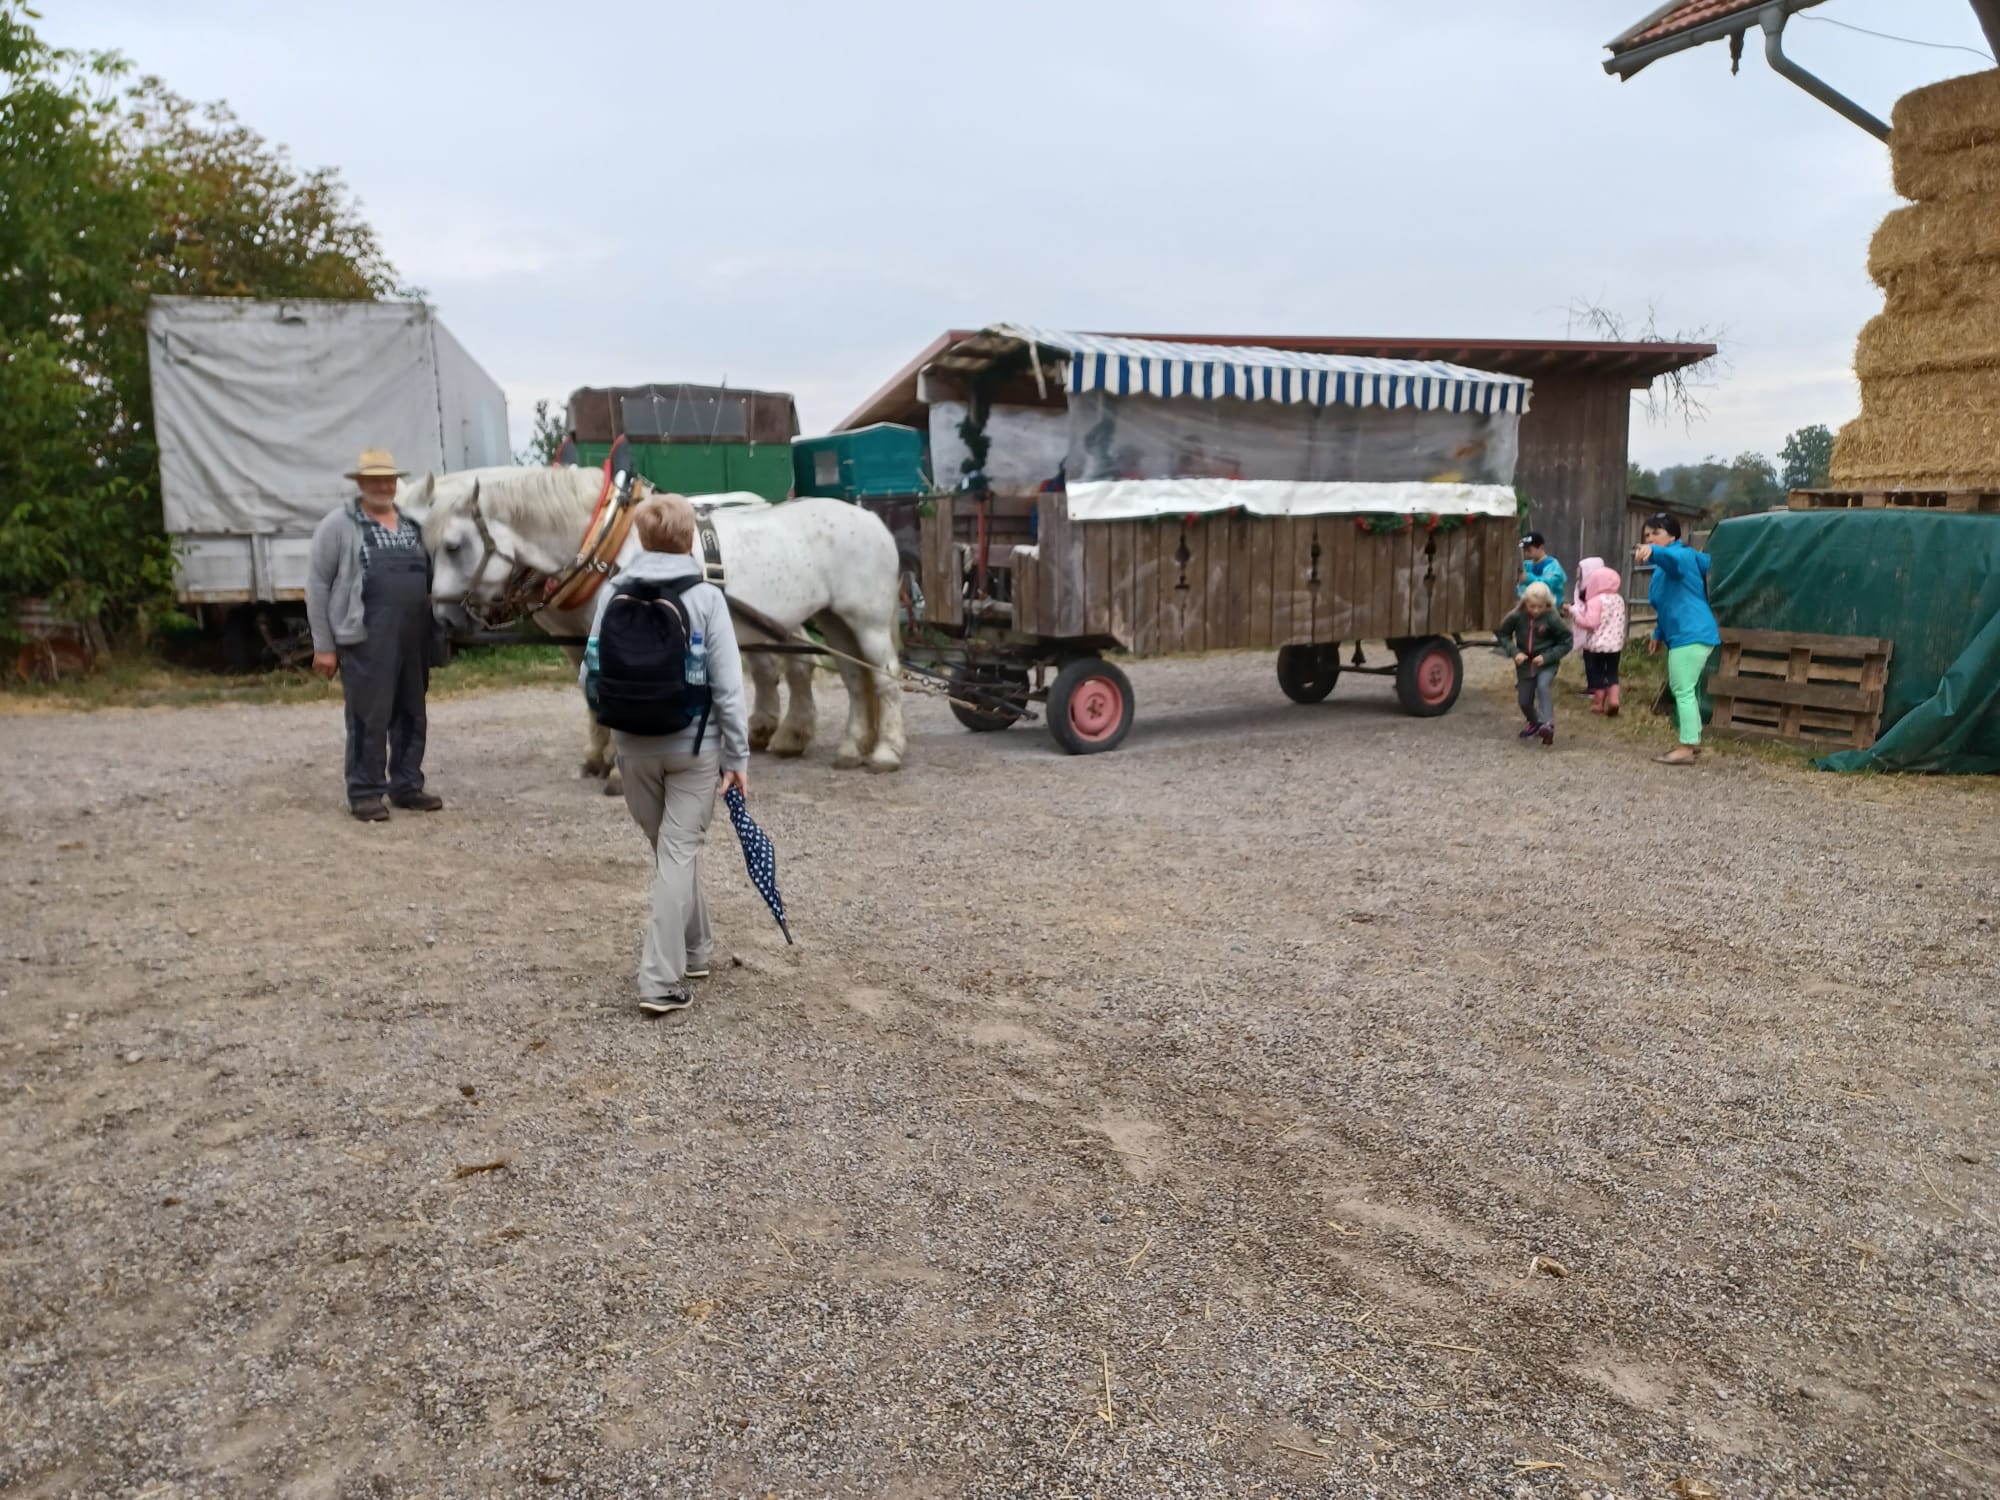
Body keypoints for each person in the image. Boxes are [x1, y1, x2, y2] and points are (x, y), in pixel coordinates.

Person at [583, 493, 750, 1015]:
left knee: (673, 854)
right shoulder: (706, 597)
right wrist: (738, 759)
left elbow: (589, 673)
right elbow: (728, 689)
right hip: (693, 747)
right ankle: (658, 981)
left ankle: (696, 950)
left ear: (642, 536)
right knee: (678, 855)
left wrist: (616, 725)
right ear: (688, 538)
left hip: (631, 750)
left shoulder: (612, 593)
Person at [305, 448, 444, 822]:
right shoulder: (338, 525)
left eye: (388, 479)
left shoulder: (414, 525)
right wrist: (324, 646)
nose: (383, 486)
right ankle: (365, 792)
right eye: (374, 480)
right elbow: (317, 586)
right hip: (366, 636)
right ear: (361, 483)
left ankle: (407, 785)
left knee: (413, 713)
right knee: (370, 716)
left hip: (414, 635)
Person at [1635, 512, 1719, 766]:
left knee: (1682, 689)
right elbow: (1666, 603)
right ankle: (1692, 741)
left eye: (1656, 533)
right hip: (1685, 632)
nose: (1650, 538)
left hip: (1690, 632)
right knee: (1685, 689)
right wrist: (1658, 633)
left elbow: (1672, 559)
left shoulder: (1682, 555)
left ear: (1673, 536)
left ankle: (1687, 747)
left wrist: (1653, 551)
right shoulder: (1663, 567)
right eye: (1647, 535)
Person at [1494, 581, 1572, 746]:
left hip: (1546, 663)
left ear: (1547, 604)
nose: (1536, 610)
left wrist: (1547, 657)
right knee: (1524, 700)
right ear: (1525, 603)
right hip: (1525, 664)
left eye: (1540, 607)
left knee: (1543, 686)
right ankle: (1535, 722)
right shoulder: (1517, 616)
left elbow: (1566, 641)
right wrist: (1514, 652)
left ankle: (1547, 724)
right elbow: (1503, 634)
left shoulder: (1552, 617)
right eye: (1532, 606)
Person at [1570, 561, 1629, 716]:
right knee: (1612, 673)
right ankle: (1614, 700)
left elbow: (1591, 623)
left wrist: (1577, 618)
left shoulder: (1595, 600)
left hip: (1598, 645)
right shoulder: (1619, 599)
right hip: (1615, 645)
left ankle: (1598, 703)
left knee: (1598, 674)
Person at [1517, 531, 1568, 604]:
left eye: (1529, 550)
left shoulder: (1552, 565)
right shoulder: (1526, 565)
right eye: (1524, 550)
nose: (1526, 553)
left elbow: (1549, 583)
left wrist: (1528, 578)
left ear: (1541, 547)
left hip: (1549, 606)